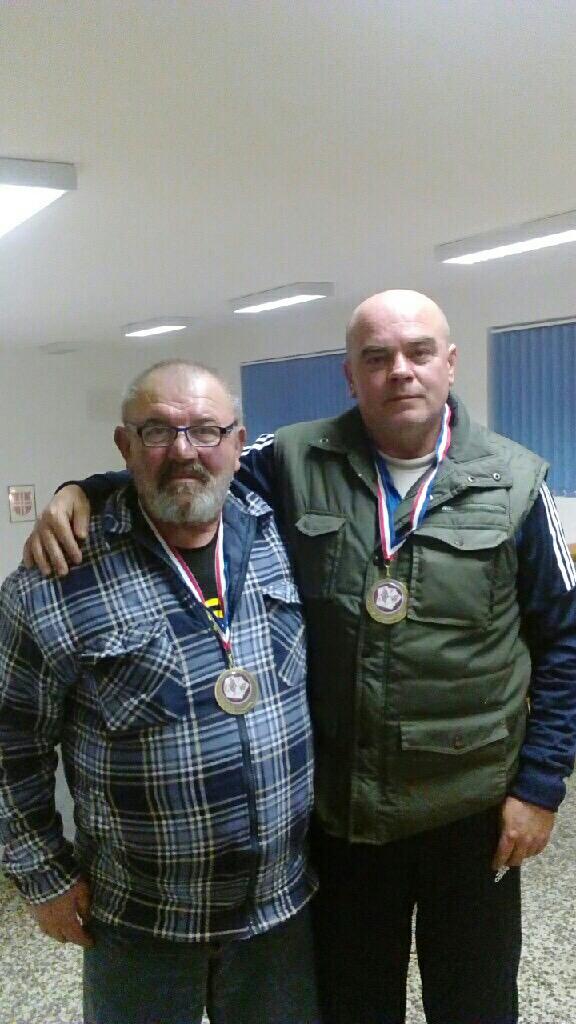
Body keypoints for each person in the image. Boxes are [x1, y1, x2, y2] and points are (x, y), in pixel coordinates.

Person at [23, 291, 576, 1024]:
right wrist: (84, 490)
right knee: (352, 1005)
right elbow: (193, 466)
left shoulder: (516, 480)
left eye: (418, 353)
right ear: (349, 375)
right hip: (342, 818)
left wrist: (540, 787)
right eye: (375, 357)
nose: (400, 371)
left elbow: (566, 643)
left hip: (471, 812)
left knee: (476, 1004)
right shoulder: (290, 458)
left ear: (450, 363)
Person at [0, 361, 319, 1024]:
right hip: (141, 923)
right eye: (156, 431)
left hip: (279, 911)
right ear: (124, 446)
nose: (183, 451)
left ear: (238, 442)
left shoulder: (282, 535)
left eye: (205, 431)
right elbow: (10, 745)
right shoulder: (54, 578)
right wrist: (43, 876)